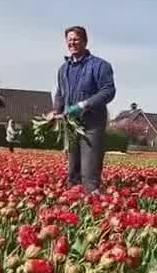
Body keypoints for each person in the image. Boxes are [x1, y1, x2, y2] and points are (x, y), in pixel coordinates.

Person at [48, 24, 114, 193]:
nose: (72, 43)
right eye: (69, 40)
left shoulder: (100, 66)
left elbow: (108, 91)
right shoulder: (64, 69)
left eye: (76, 39)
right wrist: (56, 110)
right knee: (73, 171)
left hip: (92, 125)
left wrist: (83, 105)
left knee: (89, 172)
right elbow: (60, 94)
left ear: (85, 41)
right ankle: (75, 206)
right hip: (71, 125)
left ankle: (92, 204)